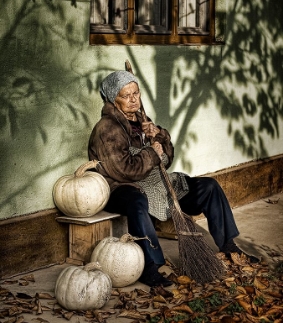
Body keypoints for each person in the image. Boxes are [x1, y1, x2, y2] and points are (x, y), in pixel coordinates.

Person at [88, 71, 259, 288]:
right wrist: (151, 152)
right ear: (114, 100)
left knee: (209, 187)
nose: (133, 99)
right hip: (120, 187)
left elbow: (165, 162)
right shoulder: (107, 129)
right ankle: (150, 267)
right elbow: (123, 170)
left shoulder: (140, 120)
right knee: (136, 202)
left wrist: (159, 135)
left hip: (153, 183)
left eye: (136, 93)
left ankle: (228, 244)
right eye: (126, 95)